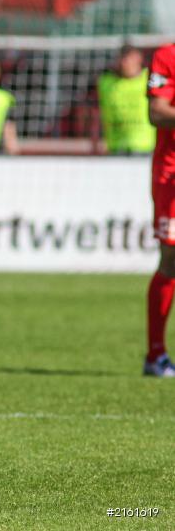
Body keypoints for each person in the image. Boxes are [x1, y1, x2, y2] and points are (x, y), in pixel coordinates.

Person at [145, 42, 175, 377]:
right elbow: (157, 112)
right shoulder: (167, 55)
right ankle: (156, 355)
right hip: (172, 174)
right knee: (171, 258)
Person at [98, 45, 155, 154]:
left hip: (145, 147)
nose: (125, 63)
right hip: (116, 147)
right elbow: (98, 112)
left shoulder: (149, 80)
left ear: (139, 59)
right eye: (122, 58)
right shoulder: (106, 83)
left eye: (129, 58)